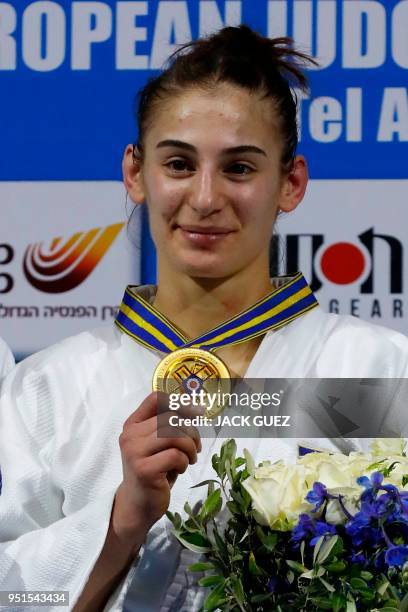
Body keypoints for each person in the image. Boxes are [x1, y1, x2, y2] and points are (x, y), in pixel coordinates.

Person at [0, 25, 407, 612]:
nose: (206, 197)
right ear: (136, 173)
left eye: (240, 168)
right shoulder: (45, 387)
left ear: (290, 183)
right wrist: (120, 521)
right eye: (179, 164)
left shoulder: (375, 368)